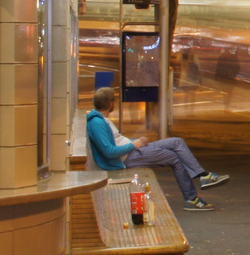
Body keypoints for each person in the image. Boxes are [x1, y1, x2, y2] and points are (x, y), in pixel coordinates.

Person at [85, 86, 226, 210]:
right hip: (128, 158)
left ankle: (203, 176)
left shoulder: (101, 120)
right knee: (174, 158)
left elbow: (117, 141)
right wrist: (134, 144)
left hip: (133, 149)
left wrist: (136, 141)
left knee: (177, 142)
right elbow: (109, 152)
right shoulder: (97, 123)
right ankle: (192, 199)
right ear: (110, 104)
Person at [216, 46, 241, 110]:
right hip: (230, 77)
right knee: (229, 91)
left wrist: (217, 76)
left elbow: (218, 67)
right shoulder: (234, 57)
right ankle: (227, 104)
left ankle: (226, 103)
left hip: (223, 76)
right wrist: (234, 74)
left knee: (224, 91)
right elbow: (238, 67)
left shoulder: (221, 57)